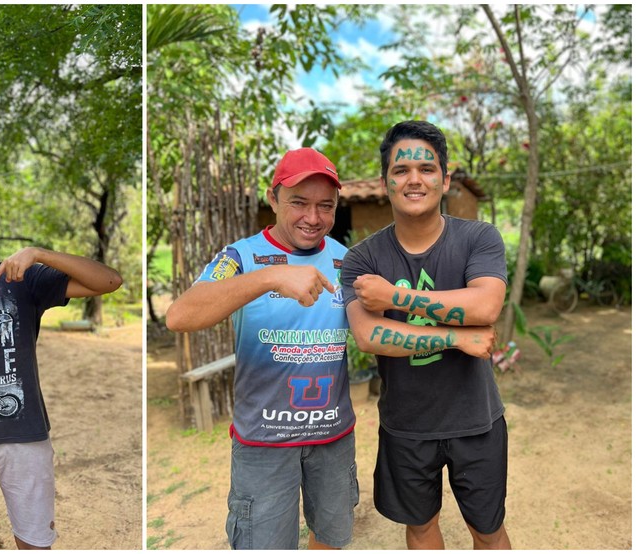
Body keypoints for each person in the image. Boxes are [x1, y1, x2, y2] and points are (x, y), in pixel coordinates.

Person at [165, 148, 357, 550]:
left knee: (331, 537)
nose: (313, 218)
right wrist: (270, 277)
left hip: (333, 437)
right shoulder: (240, 257)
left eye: (326, 206)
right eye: (299, 203)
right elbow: (180, 316)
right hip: (265, 440)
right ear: (273, 198)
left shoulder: (347, 260)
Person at [341, 120, 511, 549]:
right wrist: (456, 337)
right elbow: (368, 335)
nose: (414, 179)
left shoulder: (479, 237)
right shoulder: (362, 257)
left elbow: (486, 306)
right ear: (385, 182)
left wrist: (394, 295)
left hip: (476, 420)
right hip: (406, 426)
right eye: (401, 171)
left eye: (426, 168)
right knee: (419, 527)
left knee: (488, 532)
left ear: (445, 178)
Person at [0, 192, 123, 550]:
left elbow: (109, 281)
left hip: (24, 437)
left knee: (33, 541)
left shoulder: (21, 279)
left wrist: (40, 254)